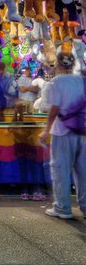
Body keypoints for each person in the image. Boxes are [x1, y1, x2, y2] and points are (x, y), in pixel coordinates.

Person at [38, 59, 86, 220]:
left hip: (62, 131)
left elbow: (55, 108)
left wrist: (46, 131)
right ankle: (85, 206)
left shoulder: (55, 82)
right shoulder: (81, 80)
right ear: (72, 65)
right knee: (83, 171)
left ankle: (63, 208)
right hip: (81, 130)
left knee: (60, 170)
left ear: (58, 65)